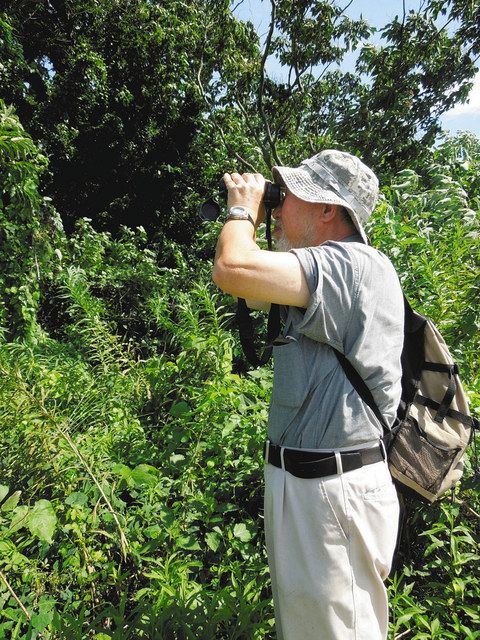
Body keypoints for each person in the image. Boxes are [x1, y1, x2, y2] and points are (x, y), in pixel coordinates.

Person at [212, 149, 404, 640]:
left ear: (327, 209)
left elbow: (234, 267)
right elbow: (253, 287)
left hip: (334, 492)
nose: (278, 205)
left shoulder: (355, 266)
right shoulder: (319, 270)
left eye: (289, 194)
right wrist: (260, 218)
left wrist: (242, 210)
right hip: (304, 485)